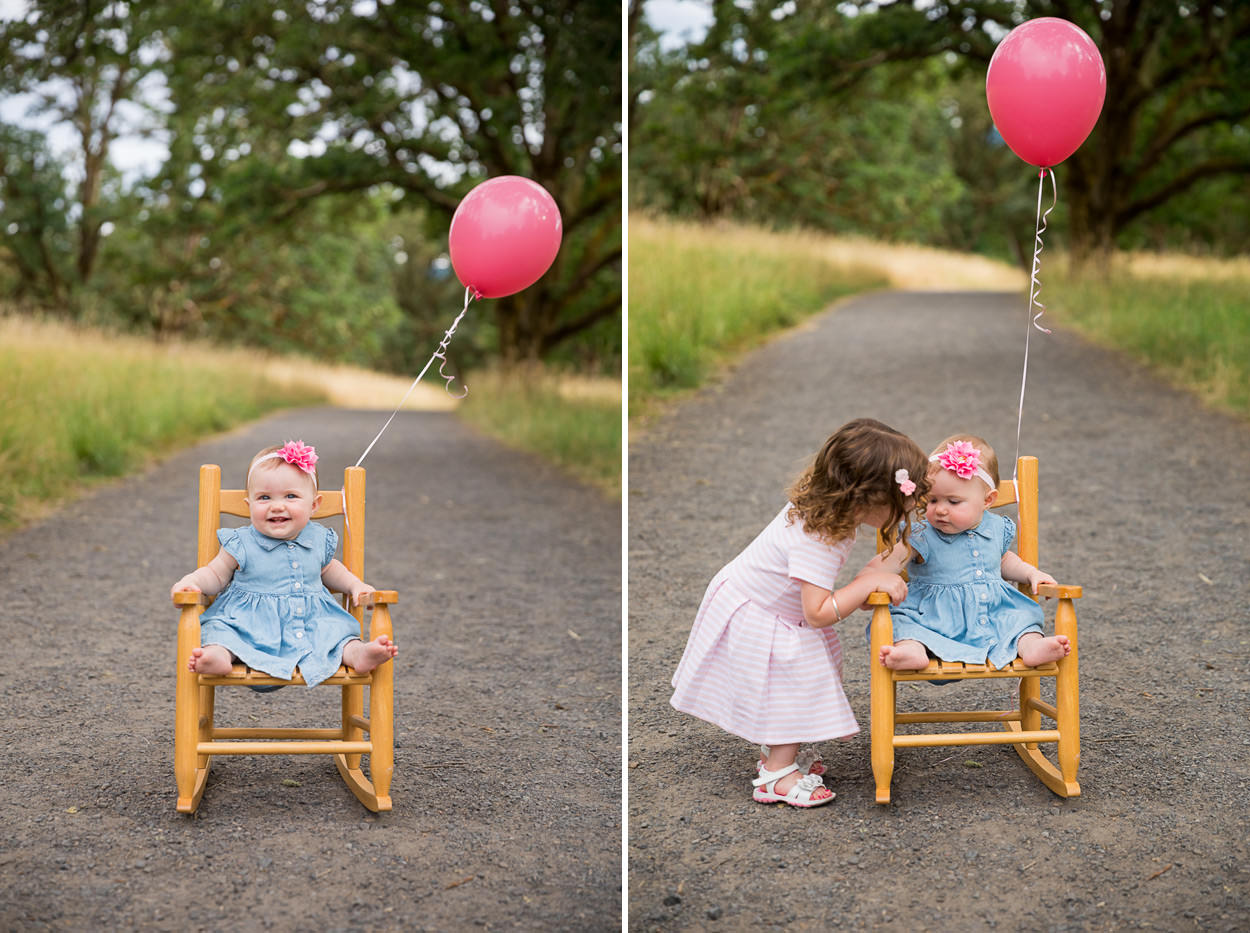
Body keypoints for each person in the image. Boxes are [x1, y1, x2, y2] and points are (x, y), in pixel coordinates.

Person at [670, 418, 931, 808]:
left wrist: (875, 574)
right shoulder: (820, 537)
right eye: (905, 500)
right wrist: (864, 586)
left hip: (765, 603)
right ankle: (775, 775)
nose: (912, 505)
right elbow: (819, 613)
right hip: (761, 614)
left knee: (801, 678)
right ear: (868, 498)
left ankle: (778, 752)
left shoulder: (824, 513)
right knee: (792, 683)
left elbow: (822, 594)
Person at [171, 441, 398, 687]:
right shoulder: (241, 542)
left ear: (314, 505)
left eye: (291, 496)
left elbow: (330, 569)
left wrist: (356, 586)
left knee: (338, 635)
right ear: (249, 506)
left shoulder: (318, 539)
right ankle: (217, 656)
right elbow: (215, 575)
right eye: (264, 497)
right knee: (222, 633)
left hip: (312, 623)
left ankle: (359, 654)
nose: (277, 506)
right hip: (250, 625)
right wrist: (191, 581)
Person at [878, 435, 1069, 673]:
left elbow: (1003, 560)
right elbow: (893, 559)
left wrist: (1032, 573)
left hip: (992, 612)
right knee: (904, 622)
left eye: (954, 501)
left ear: (987, 500)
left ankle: (1031, 646)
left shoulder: (997, 528)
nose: (940, 510)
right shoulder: (922, 533)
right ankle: (911, 650)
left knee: (1021, 618)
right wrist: (876, 577)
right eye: (932, 499)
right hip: (935, 619)